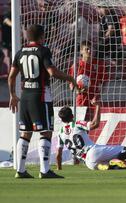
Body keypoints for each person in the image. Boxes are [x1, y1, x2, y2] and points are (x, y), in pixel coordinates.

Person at [8, 24, 77, 178]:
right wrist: (70, 78)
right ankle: (45, 171)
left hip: (25, 96)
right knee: (45, 132)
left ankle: (20, 170)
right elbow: (52, 72)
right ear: (41, 37)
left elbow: (11, 76)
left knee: (25, 133)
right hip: (41, 95)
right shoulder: (43, 50)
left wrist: (13, 95)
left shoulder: (20, 53)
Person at [56, 98, 126, 170]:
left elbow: (58, 154)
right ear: (72, 116)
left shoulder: (60, 133)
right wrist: (98, 106)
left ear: (62, 120)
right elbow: (95, 124)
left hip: (88, 163)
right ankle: (112, 161)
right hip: (93, 151)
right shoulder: (77, 124)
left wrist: (59, 168)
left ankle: (104, 165)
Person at [69, 41, 108, 106]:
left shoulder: (99, 64)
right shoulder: (76, 66)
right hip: (81, 100)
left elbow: (105, 82)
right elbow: (71, 83)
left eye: (91, 49)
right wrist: (77, 90)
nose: (89, 51)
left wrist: (98, 95)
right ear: (81, 51)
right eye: (87, 49)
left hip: (94, 100)